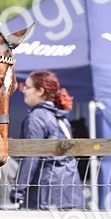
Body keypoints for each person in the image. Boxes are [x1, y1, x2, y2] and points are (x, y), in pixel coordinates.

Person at [11, 70, 85, 210]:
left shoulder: (36, 117)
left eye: (27, 87)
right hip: (71, 192)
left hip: (45, 195)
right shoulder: (61, 117)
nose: (24, 90)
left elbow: (31, 157)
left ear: (40, 91)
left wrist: (18, 191)